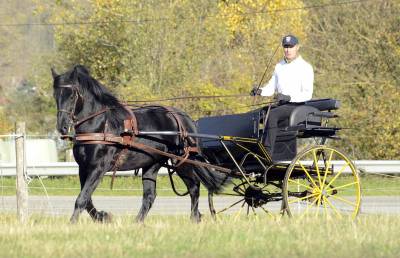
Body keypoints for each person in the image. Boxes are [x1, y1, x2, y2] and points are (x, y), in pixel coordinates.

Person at [250, 34, 314, 155]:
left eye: (291, 46)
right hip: (281, 105)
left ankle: (266, 152)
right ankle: (251, 148)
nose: (288, 49)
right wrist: (260, 91)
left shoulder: (305, 67)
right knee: (254, 115)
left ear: (297, 47)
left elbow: (307, 94)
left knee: (272, 115)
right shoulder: (279, 66)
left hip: (297, 106)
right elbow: (271, 86)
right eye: (285, 46)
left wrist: (288, 97)